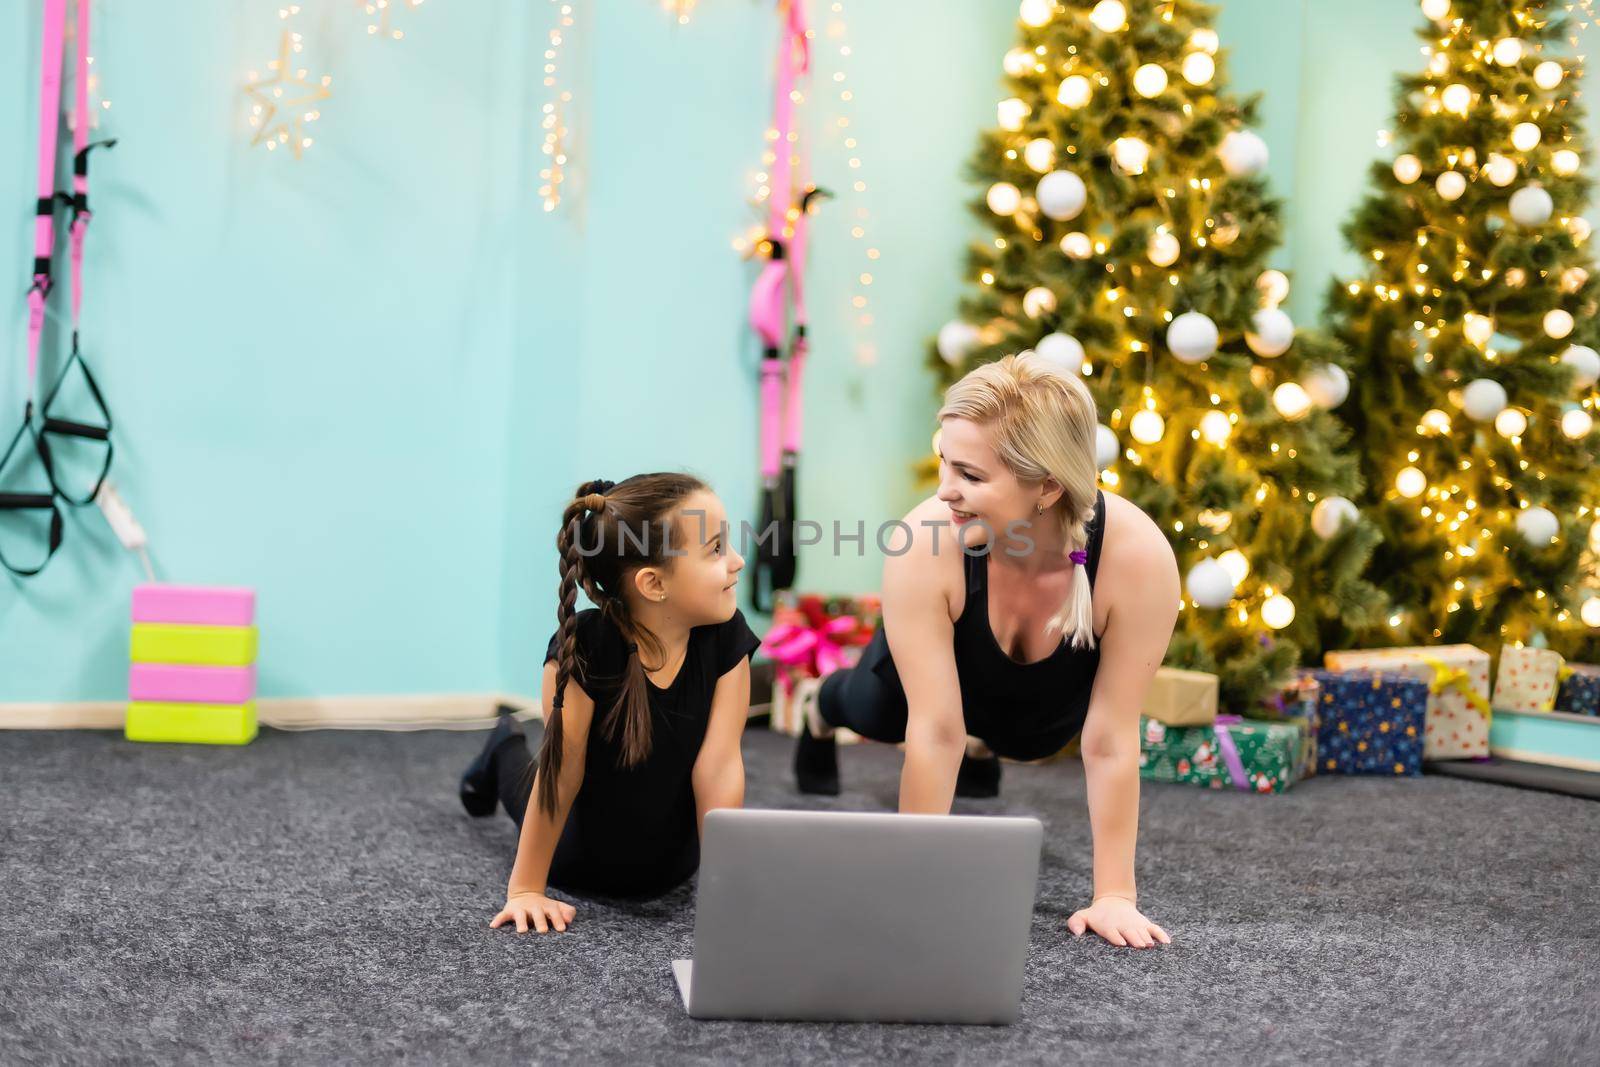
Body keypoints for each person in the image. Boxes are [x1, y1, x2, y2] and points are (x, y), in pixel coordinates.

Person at [795, 355, 1179, 949]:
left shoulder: (1137, 558)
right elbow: (935, 732)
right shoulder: (925, 541)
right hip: (928, 695)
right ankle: (819, 707)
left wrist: (1114, 896)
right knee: (875, 711)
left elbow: (1108, 739)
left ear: (1048, 486)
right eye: (945, 462)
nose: (945, 489)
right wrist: (911, 885)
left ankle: (987, 738)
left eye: (970, 476)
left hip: (1039, 710)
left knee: (1032, 740)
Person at [458, 473, 759, 934]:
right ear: (654, 583)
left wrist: (730, 892)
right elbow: (563, 769)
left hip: (674, 870)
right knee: (525, 774)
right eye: (717, 549)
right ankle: (502, 745)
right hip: (577, 859)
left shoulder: (726, 640)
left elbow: (718, 766)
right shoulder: (584, 648)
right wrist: (525, 890)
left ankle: (503, 746)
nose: (737, 561)